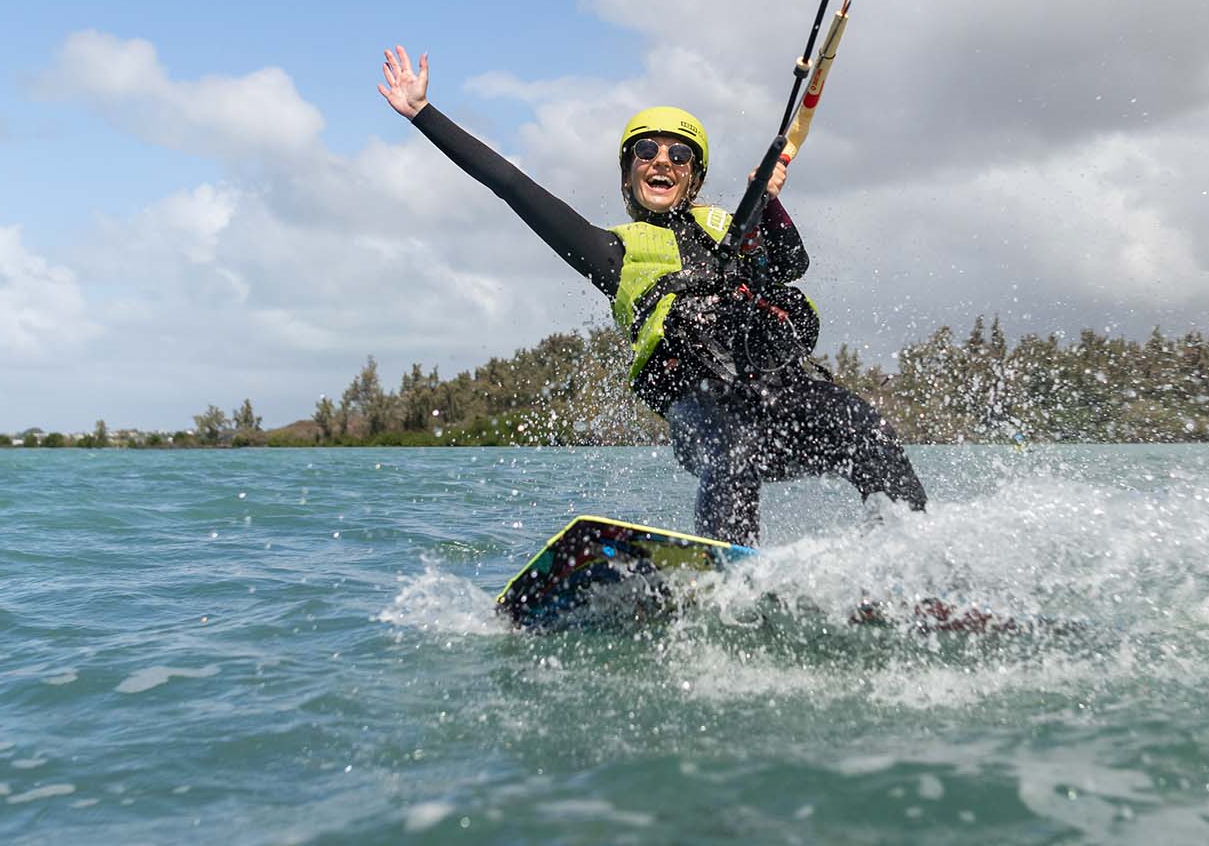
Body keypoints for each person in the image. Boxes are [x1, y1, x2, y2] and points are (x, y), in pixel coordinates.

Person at [378, 46, 926, 545]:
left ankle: (908, 558)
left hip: (778, 394)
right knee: (733, 450)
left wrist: (769, 203)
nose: (662, 160)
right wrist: (424, 114)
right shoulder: (610, 254)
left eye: (679, 156)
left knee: (866, 428)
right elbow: (514, 186)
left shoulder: (732, 227)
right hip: (702, 412)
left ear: (694, 176)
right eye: (646, 150)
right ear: (628, 171)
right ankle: (732, 572)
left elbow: (789, 265)